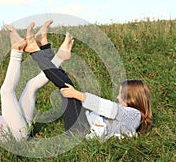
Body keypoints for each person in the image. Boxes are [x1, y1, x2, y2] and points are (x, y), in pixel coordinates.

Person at [0, 20, 74, 146]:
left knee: (31, 85)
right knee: (5, 91)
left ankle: (59, 58)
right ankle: (17, 50)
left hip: (20, 126)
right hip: (14, 136)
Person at [23, 22, 153, 139]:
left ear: (134, 97)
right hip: (83, 125)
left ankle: (36, 50)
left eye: (122, 94)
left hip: (81, 131)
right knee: (66, 84)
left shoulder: (134, 115)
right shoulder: (130, 115)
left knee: (66, 85)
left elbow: (109, 108)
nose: (118, 97)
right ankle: (43, 46)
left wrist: (79, 96)